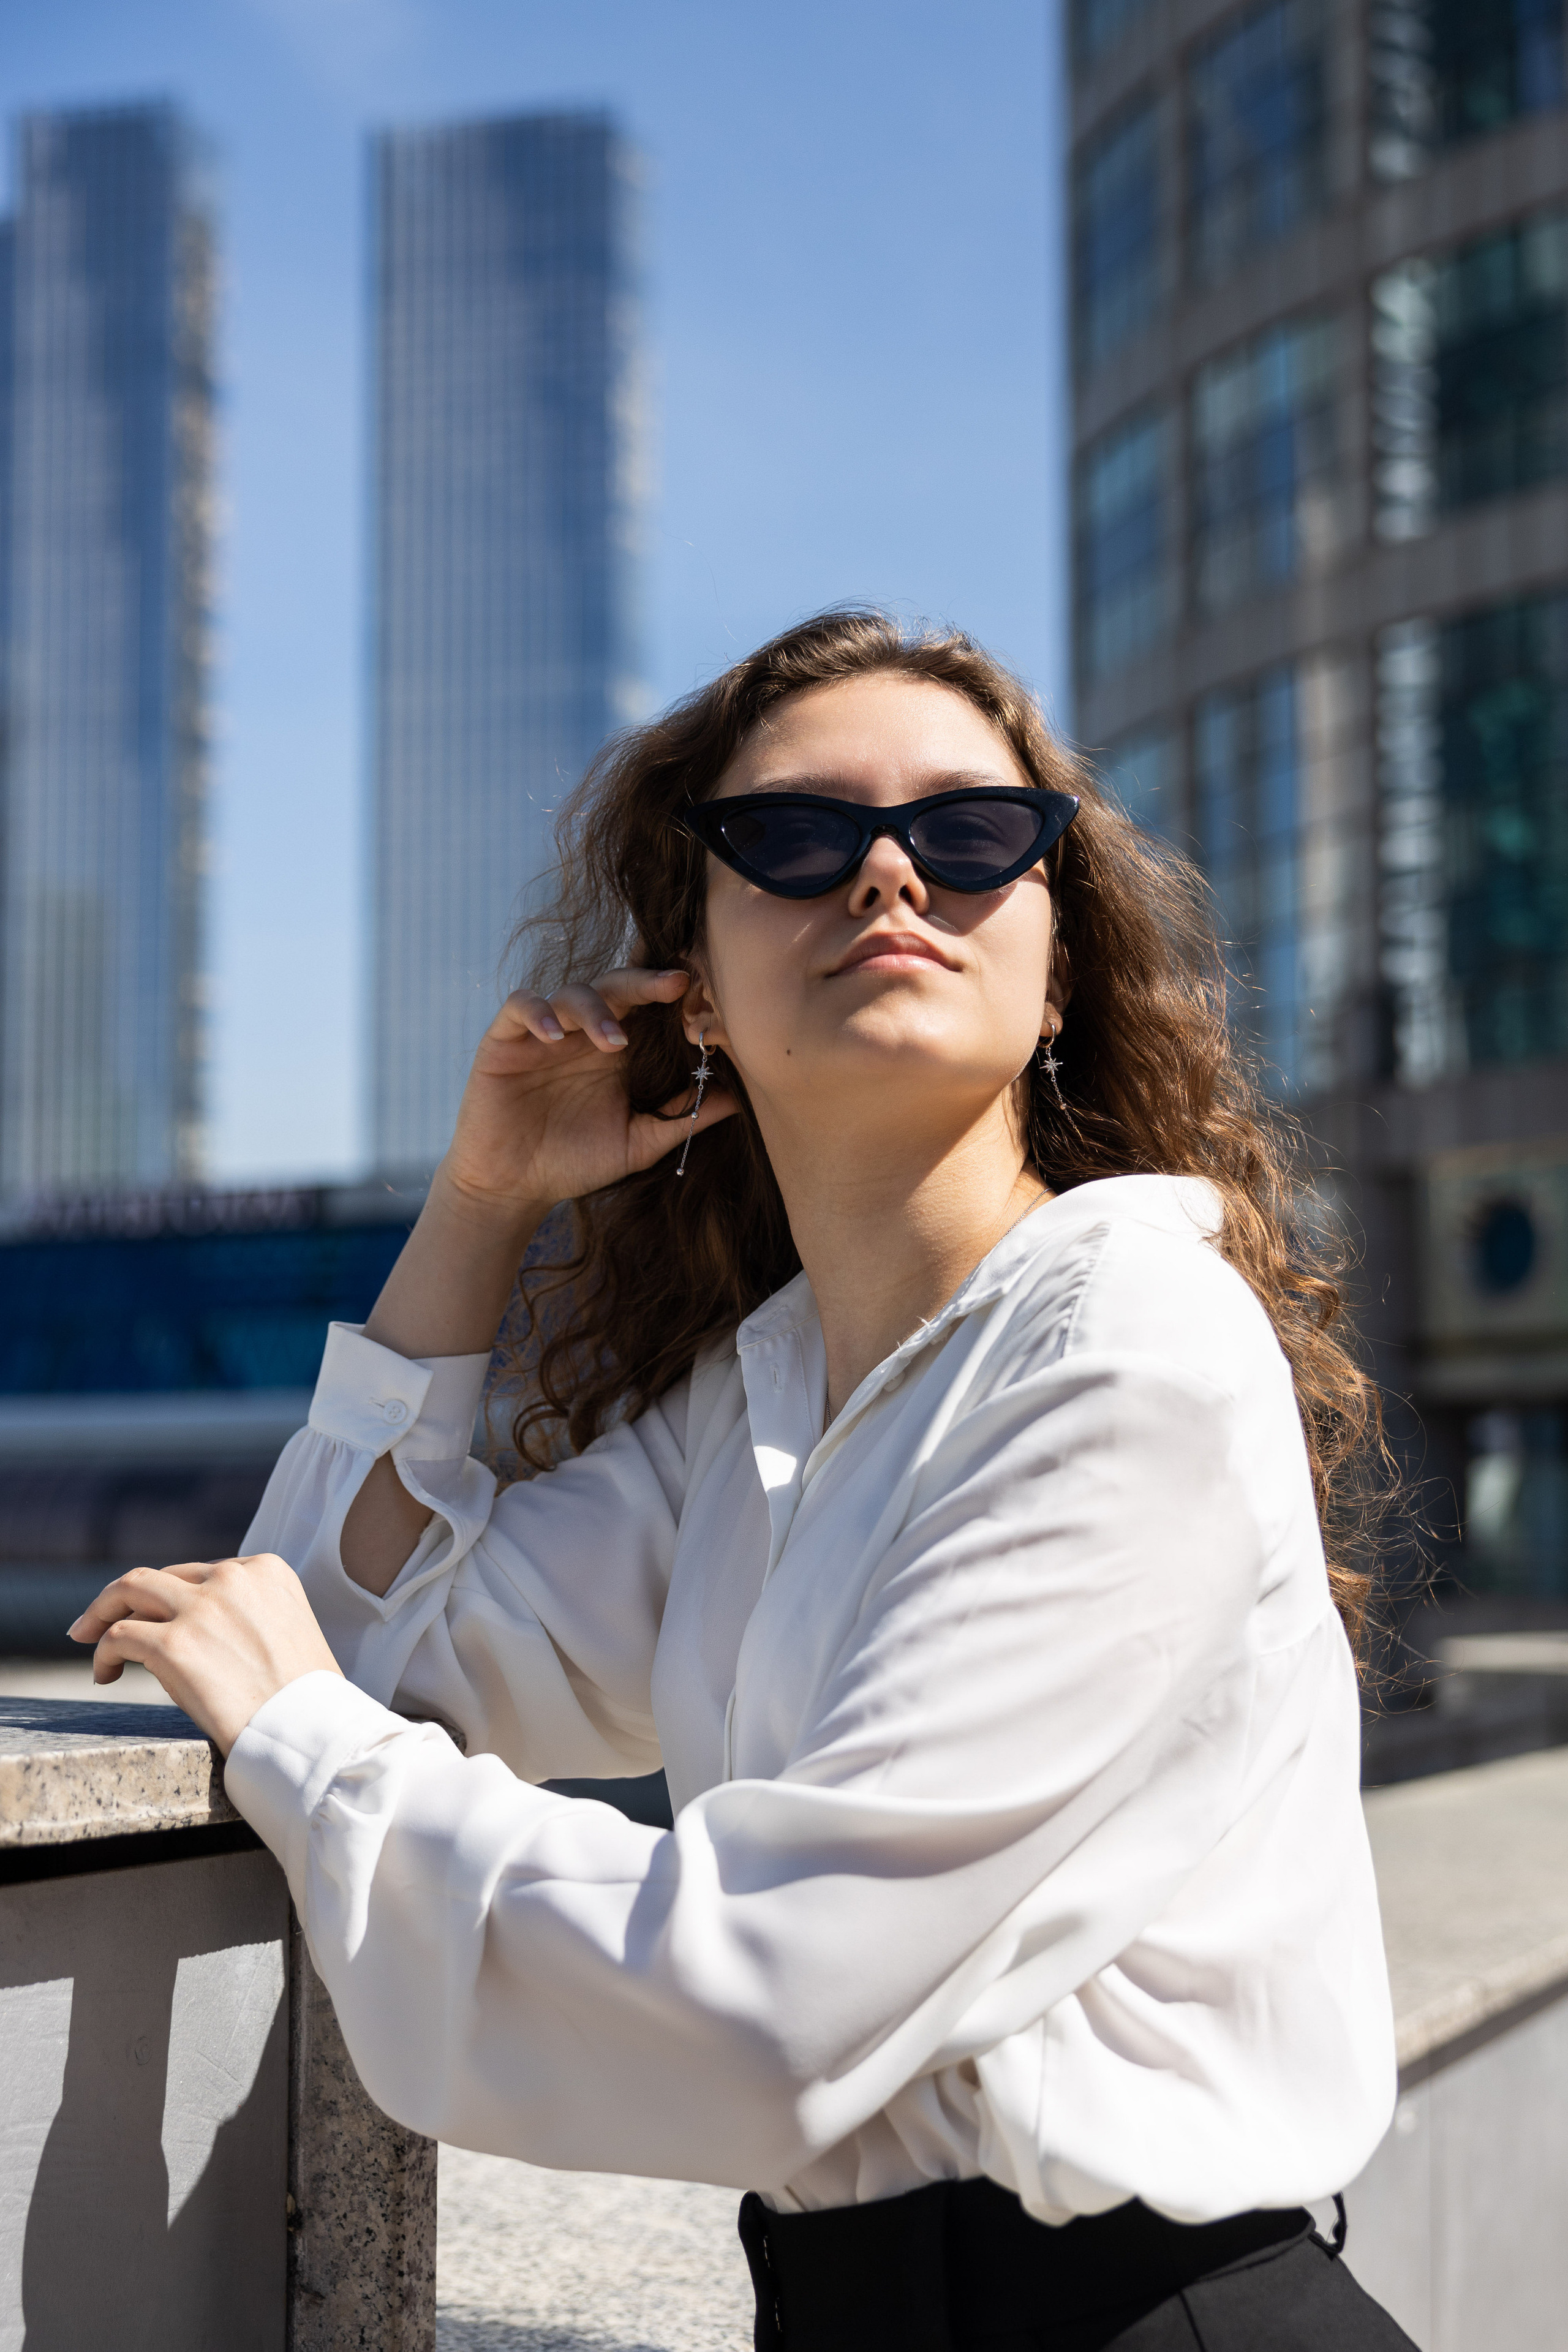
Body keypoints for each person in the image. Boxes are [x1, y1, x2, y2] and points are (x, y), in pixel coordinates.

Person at [73, 611, 1414, 2351]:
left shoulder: (1126, 1343)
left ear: (1060, 962)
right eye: (791, 837)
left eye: (969, 834)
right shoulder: (766, 1399)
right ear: (690, 985)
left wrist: (315, 1744)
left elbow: (758, 2004)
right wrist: (484, 1205)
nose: (884, 876)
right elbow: (338, 1641)